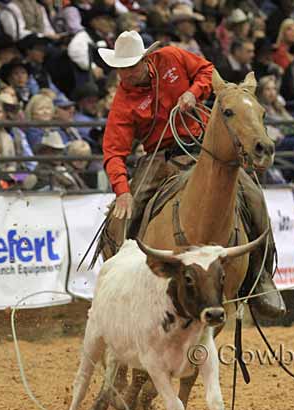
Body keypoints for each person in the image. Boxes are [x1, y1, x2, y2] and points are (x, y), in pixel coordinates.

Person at [97, 30, 282, 317]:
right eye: (120, 69)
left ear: (146, 60)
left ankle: (261, 274)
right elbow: (113, 151)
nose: (126, 75)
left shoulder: (171, 57)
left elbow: (208, 72)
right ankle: (126, 273)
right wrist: (121, 190)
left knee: (253, 196)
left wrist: (192, 92)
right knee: (130, 210)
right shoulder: (123, 101)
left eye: (130, 67)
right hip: (161, 156)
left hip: (203, 145)